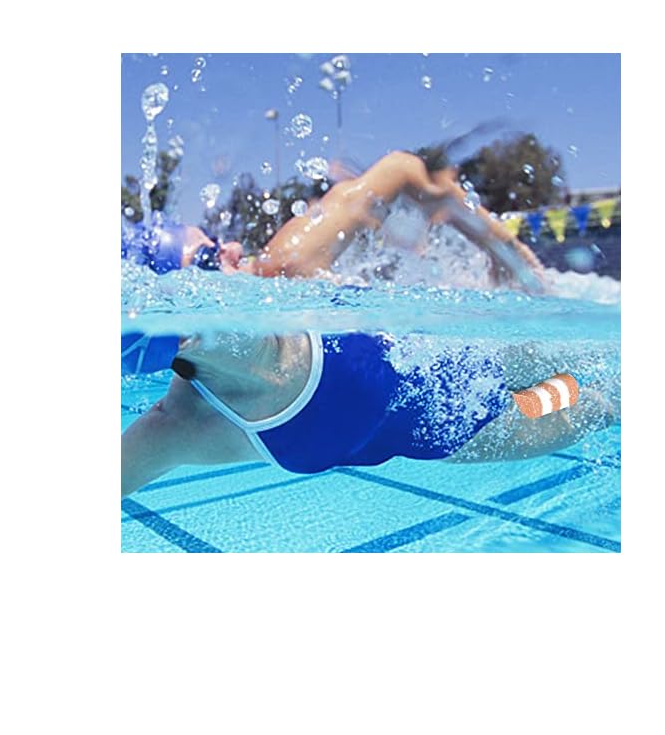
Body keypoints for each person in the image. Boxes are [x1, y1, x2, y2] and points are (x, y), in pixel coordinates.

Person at [121, 328, 615, 497]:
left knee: (589, 361)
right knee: (600, 406)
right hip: (455, 435)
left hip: (479, 359)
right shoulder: (179, 428)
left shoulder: (277, 296)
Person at [122, 151, 546, 291]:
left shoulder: (284, 263)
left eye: (215, 242)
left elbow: (400, 168)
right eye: (210, 259)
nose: (232, 247)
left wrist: (503, 251)